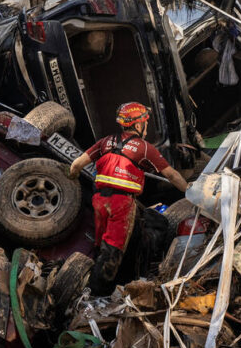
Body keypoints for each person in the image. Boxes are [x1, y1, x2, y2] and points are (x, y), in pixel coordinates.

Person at [70, 102, 189, 291]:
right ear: (138, 125)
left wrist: (72, 178)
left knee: (101, 245)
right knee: (113, 250)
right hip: (121, 202)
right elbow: (172, 175)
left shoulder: (105, 141)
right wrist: (189, 190)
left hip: (99, 200)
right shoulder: (144, 148)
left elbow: (76, 166)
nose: (147, 127)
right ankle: (96, 295)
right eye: (145, 123)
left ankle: (94, 282)